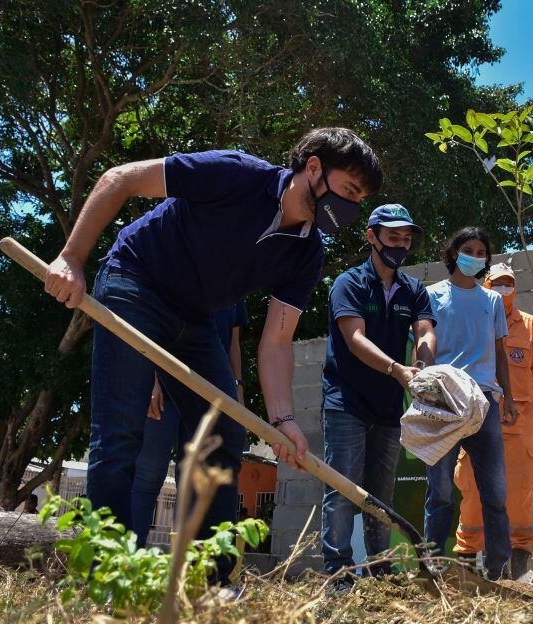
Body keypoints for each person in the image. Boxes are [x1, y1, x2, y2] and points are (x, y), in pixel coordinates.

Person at [42, 128, 382, 579]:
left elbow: (277, 341)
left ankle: (213, 582)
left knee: (224, 433)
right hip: (135, 282)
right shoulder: (235, 174)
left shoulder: (307, 253)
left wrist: (283, 421)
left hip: (196, 318)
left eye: (359, 200)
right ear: (314, 167)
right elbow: (119, 178)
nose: (352, 208)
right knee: (122, 431)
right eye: (349, 190)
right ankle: (107, 574)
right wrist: (71, 258)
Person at [320, 204, 436, 587]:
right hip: (346, 403)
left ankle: (381, 571)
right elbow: (354, 339)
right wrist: (397, 369)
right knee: (342, 491)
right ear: (372, 237)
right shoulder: (349, 283)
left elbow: (424, 331)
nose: (401, 245)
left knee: (381, 497)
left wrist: (422, 361)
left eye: (406, 238)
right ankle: (339, 576)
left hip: (388, 409)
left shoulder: (413, 289)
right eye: (392, 237)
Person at [423, 227, 517, 580]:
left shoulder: (492, 301)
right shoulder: (431, 295)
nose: (474, 256)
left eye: (481, 252)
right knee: (441, 490)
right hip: (444, 400)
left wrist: (507, 397)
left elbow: (501, 353)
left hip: (485, 403)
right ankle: (430, 567)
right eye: (468, 249)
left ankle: (499, 569)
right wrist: (425, 386)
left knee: (495, 491)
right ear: (453, 252)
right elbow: (423, 343)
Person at [453, 263, 533, 579]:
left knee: (519, 494)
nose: (504, 289)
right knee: (472, 490)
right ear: (487, 286)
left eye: (509, 284)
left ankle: (517, 569)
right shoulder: (472, 321)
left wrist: (520, 404)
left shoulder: (530, 326)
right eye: (498, 284)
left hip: (518, 428)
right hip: (477, 423)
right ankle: (469, 568)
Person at [130, 300, 250, 549]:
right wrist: (150, 376)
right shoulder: (181, 264)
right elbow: (151, 322)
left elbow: (233, 343)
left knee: (196, 480)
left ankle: (191, 567)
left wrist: (237, 386)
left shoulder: (238, 279)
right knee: (148, 475)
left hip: (211, 392)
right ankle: (129, 560)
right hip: (164, 383)